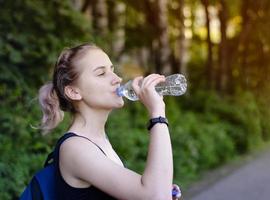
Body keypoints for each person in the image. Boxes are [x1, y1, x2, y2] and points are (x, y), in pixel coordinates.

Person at [38, 43, 181, 200]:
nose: (117, 79)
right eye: (101, 73)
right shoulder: (75, 147)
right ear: (74, 91)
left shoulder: (99, 141)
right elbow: (155, 196)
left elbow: (152, 192)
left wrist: (161, 185)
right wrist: (157, 112)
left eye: (112, 70)